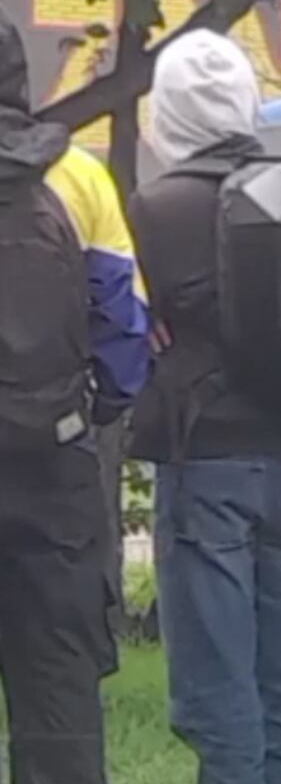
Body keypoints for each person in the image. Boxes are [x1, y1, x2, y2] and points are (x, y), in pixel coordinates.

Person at [127, 31, 281, 784]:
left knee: (213, 648)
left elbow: (143, 323)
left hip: (202, 450)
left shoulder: (159, 205)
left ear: (167, 109)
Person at [0, 6, 149, 784]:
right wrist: (98, 412)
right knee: (57, 643)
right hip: (53, 449)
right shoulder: (78, 175)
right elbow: (123, 318)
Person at [42, 146, 147, 637]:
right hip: (58, 421)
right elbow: (120, 302)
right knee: (61, 654)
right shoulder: (77, 171)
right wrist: (106, 399)